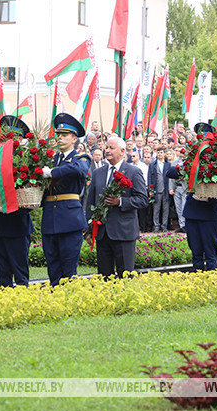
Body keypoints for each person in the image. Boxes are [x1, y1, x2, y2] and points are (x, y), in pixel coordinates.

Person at [85, 136, 147, 277]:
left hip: (123, 233)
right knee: (104, 277)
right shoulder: (97, 173)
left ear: (122, 151)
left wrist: (120, 202)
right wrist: (88, 230)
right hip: (102, 233)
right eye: (106, 147)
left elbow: (143, 200)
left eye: (111, 148)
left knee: (125, 277)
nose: (107, 150)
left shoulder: (133, 171)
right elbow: (90, 203)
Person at [39, 113, 91, 286]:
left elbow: (78, 170)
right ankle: (55, 297)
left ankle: (68, 300)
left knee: (69, 267)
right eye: (58, 135)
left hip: (69, 220)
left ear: (74, 138)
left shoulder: (80, 158)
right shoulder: (51, 159)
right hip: (50, 219)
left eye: (64, 135)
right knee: (53, 265)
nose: (60, 138)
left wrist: (52, 172)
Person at [165, 122, 217, 271]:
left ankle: (212, 280)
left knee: (210, 253)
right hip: (193, 211)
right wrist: (189, 169)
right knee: (196, 252)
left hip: (209, 211)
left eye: (206, 140)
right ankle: (197, 280)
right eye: (200, 139)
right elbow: (170, 172)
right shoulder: (191, 160)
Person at [0, 116, 33, 287]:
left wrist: (13, 207)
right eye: (6, 136)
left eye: (13, 137)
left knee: (20, 271)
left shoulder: (26, 161)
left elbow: (33, 195)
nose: (9, 141)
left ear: (20, 139)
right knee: (2, 271)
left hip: (17, 223)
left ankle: (21, 305)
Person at [148, 147, 171, 233]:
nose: (160, 154)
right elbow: (149, 177)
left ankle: (164, 226)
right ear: (156, 154)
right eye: (158, 152)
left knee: (166, 209)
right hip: (156, 189)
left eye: (161, 152)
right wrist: (150, 190)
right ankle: (156, 226)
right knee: (156, 209)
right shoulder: (152, 164)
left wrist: (170, 188)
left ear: (164, 153)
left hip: (166, 189)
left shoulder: (168, 164)